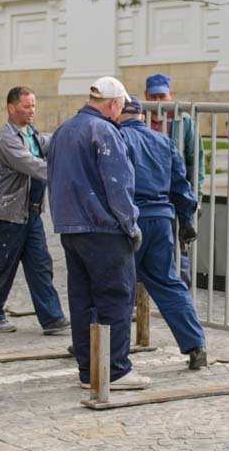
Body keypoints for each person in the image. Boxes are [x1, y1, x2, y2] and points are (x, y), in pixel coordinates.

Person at [46, 77, 150, 390]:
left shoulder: (64, 130)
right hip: (103, 229)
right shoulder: (105, 131)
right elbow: (118, 187)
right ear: (114, 103)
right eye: (120, 106)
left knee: (82, 301)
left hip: (71, 228)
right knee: (115, 299)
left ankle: (87, 369)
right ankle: (115, 370)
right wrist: (131, 226)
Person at [117, 99, 207, 370]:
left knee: (113, 284)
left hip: (131, 221)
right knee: (168, 282)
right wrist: (186, 219)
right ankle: (196, 345)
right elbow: (181, 183)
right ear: (141, 115)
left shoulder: (117, 138)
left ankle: (101, 346)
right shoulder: (163, 141)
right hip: (162, 220)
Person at [0, 86, 67, 336]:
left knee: (40, 265)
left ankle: (52, 318)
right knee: (5, 266)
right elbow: (34, 166)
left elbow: (54, 143)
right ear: (11, 107)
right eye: (26, 106)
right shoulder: (7, 139)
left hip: (32, 213)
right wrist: (67, 173)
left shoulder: (33, 134)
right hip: (10, 214)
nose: (31, 111)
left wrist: (71, 136)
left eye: (34, 106)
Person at [143, 72, 201, 279]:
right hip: (147, 196)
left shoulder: (183, 121)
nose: (158, 102)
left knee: (180, 252)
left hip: (175, 196)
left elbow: (195, 160)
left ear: (171, 96)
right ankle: (139, 306)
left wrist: (196, 196)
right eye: (153, 97)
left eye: (162, 97)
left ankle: (182, 300)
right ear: (146, 97)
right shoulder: (140, 119)